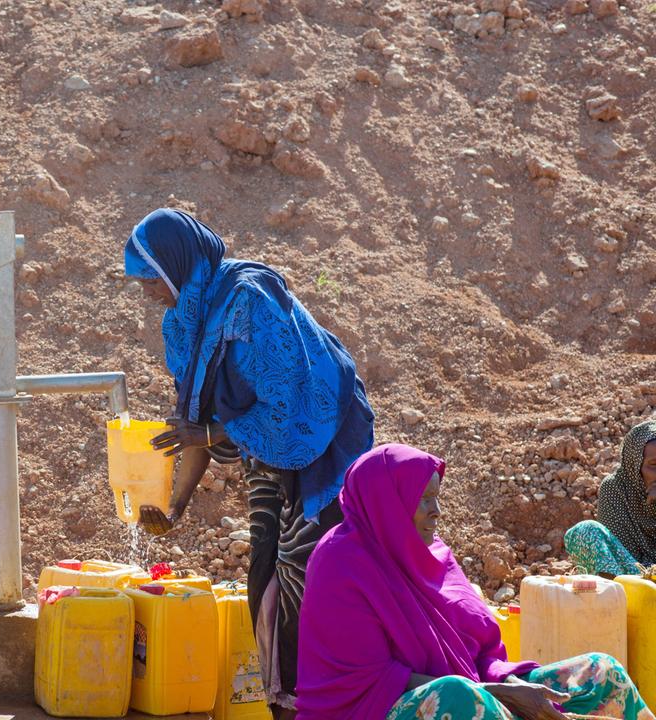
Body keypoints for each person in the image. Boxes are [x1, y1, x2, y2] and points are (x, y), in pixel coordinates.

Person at [123, 208, 375, 718]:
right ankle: (283, 706)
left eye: (151, 279)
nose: (148, 293)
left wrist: (214, 432)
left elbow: (293, 398)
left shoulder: (250, 299)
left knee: (313, 582)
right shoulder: (184, 326)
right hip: (266, 454)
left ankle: (328, 704)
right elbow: (189, 426)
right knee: (265, 583)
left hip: (324, 449)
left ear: (177, 263)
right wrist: (175, 511)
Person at [296, 443, 652, 720]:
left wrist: (509, 683)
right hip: (369, 708)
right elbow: (371, 679)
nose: (436, 511)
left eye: (437, 498)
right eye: (423, 500)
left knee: (599, 671)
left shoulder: (434, 556)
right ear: (387, 505)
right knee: (458, 697)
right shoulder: (339, 563)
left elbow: (478, 651)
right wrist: (498, 695)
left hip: (475, 685)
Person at [565, 420, 656, 578]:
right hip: (634, 582)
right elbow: (618, 554)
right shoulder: (616, 490)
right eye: (654, 464)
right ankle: (611, 600)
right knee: (585, 531)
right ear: (635, 464)